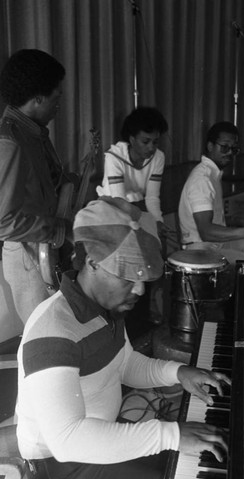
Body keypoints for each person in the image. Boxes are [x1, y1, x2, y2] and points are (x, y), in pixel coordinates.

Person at [16, 196, 230, 479]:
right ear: (92, 262)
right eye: (127, 276)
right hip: (62, 470)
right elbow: (67, 440)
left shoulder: (105, 308)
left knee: (194, 464)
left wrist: (178, 373)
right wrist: (169, 434)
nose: (140, 289)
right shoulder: (53, 332)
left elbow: (125, 364)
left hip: (99, 440)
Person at [0, 48, 72, 325]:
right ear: (38, 98)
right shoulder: (10, 141)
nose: (58, 105)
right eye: (56, 98)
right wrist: (61, 230)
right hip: (28, 257)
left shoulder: (32, 132)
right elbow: (4, 222)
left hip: (44, 250)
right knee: (41, 340)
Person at [98, 106, 172, 323]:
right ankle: (119, 321)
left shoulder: (158, 157)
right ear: (131, 138)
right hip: (111, 210)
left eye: (155, 141)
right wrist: (143, 231)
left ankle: (143, 317)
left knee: (153, 255)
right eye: (145, 141)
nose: (151, 147)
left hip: (138, 209)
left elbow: (152, 198)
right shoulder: (113, 157)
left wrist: (157, 223)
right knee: (128, 264)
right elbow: (120, 203)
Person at [178, 121, 244, 264]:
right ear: (210, 146)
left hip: (216, 243)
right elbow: (206, 231)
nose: (229, 153)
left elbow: (215, 219)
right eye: (224, 147)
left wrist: (241, 221)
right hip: (200, 249)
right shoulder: (202, 180)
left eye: (233, 149)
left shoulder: (213, 174)